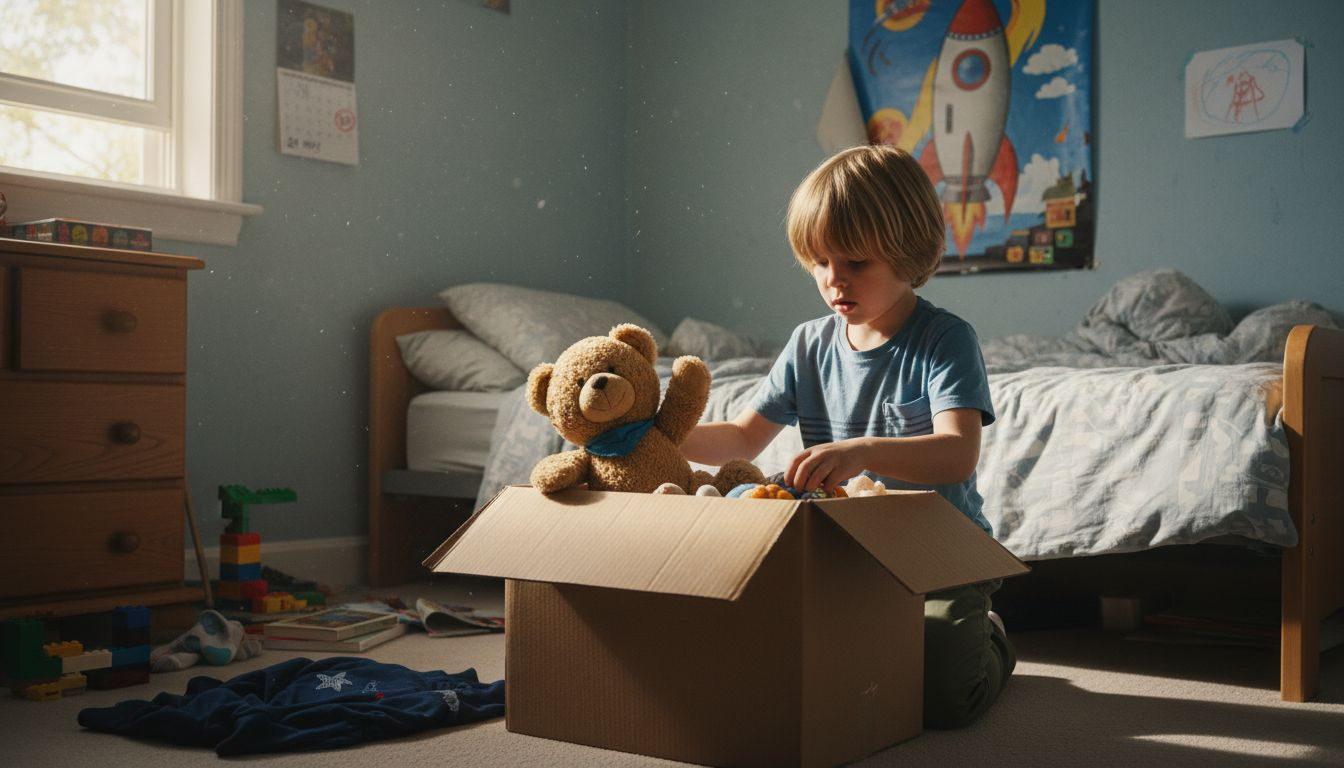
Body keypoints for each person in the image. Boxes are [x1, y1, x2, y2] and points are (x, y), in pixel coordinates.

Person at [681, 144, 1012, 728]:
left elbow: (957, 454)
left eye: (857, 262)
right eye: (820, 262)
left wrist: (860, 450)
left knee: (944, 695)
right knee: (787, 666)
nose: (835, 280)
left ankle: (993, 635)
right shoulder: (809, 344)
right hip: (842, 558)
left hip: (939, 557)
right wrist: (660, 434)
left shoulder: (945, 340)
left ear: (909, 252)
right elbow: (741, 438)